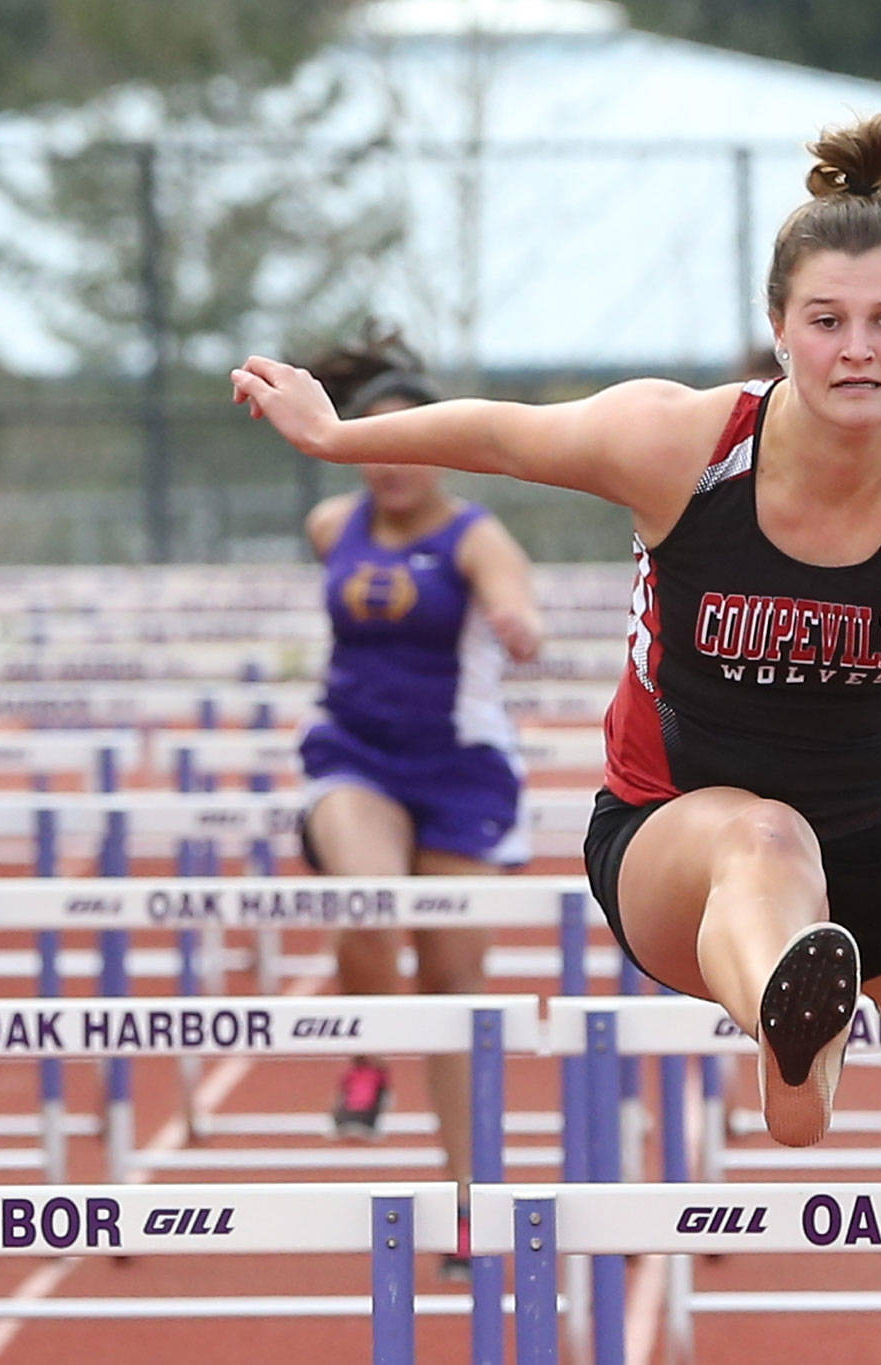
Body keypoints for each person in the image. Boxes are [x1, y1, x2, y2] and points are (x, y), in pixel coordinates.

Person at [234, 113, 881, 1178]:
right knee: (768, 842)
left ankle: (810, 993)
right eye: (826, 320)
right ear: (778, 330)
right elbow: (506, 433)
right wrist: (338, 436)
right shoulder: (684, 444)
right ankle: (791, 1023)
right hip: (682, 844)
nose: (856, 350)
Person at [294, 323, 545, 1279]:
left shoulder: (476, 534)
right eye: (374, 446)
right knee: (370, 892)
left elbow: (515, 592)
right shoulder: (330, 526)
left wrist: (518, 620)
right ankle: (367, 1050)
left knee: (454, 989)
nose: (392, 467)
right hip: (354, 755)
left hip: (459, 774)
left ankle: (472, 1201)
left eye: (413, 446)